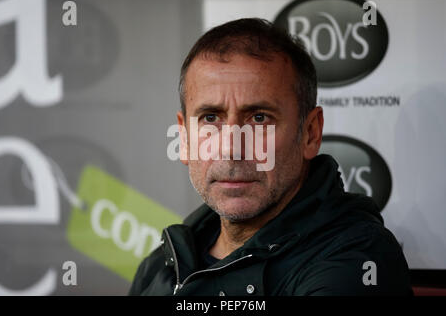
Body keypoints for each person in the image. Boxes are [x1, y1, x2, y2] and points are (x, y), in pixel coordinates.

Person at [129, 18, 412, 296]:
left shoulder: (356, 261)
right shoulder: (163, 264)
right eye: (211, 117)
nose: (231, 148)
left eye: (259, 118)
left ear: (310, 133)